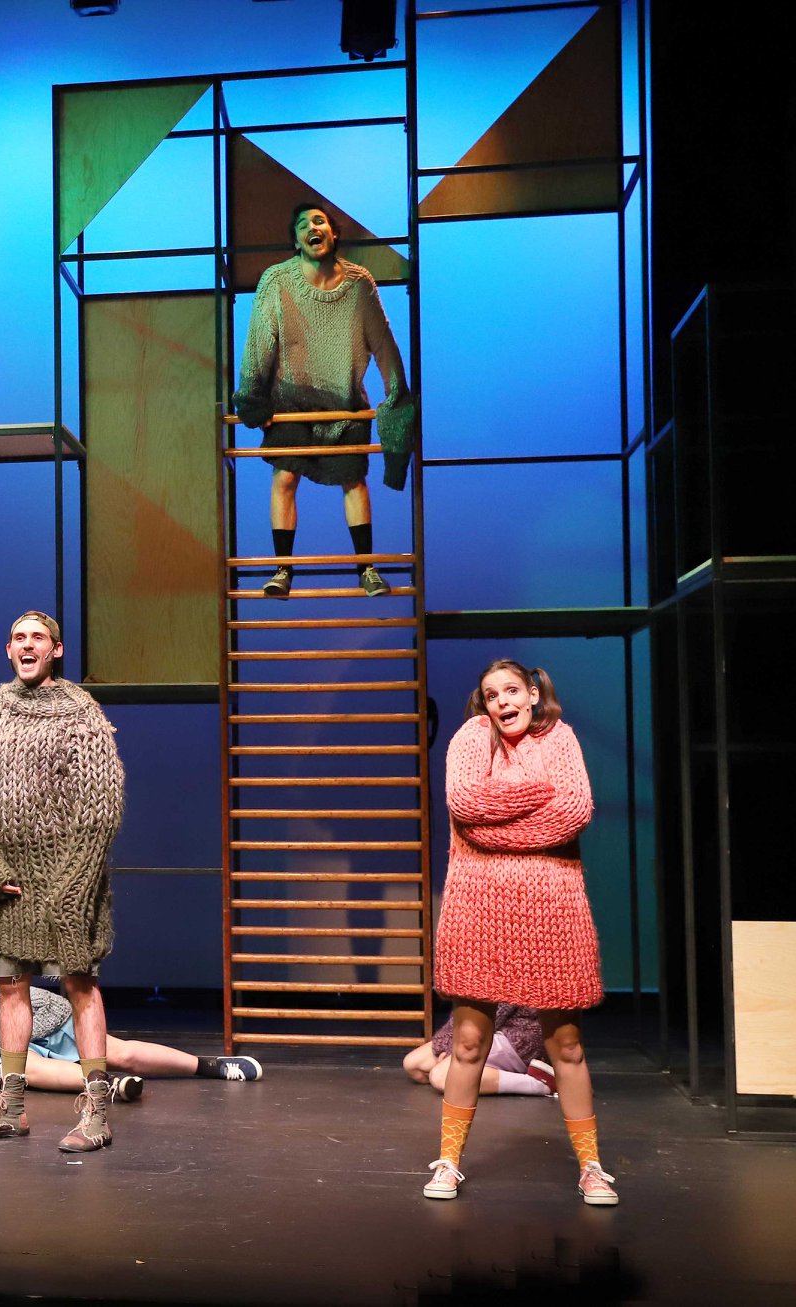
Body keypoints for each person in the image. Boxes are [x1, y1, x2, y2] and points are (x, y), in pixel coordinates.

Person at [427, 659, 615, 1205]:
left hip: (554, 910)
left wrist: (493, 828)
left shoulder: (561, 739)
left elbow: (573, 812)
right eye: (491, 695)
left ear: (533, 694)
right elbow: (464, 805)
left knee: (567, 1046)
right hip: (477, 908)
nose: (502, 702)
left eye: (512, 690)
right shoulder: (471, 739)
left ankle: (592, 1167)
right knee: (468, 1043)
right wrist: (536, 792)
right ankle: (448, 1162)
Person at [0, 611, 126, 1151]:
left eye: (38, 637)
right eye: (19, 637)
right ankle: (10, 1107)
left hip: (68, 881)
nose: (27, 645)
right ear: (8, 649)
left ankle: (96, 1111)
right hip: (8, 884)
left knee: (81, 986)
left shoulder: (81, 713)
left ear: (56, 650)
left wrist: (72, 886)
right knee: (10, 988)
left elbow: (100, 809)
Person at [232, 202, 415, 600]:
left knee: (354, 479)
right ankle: (283, 569)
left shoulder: (359, 282)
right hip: (291, 402)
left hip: (344, 403)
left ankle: (367, 569)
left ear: (333, 233)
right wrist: (252, 400)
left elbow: (383, 342)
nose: (312, 227)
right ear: (296, 241)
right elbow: (258, 343)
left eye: (319, 221)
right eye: (303, 224)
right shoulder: (276, 281)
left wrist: (397, 395)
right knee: (284, 476)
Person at [0, 928, 263, 1103]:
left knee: (119, 1052)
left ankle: (209, 1066)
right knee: (25, 1069)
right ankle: (109, 1086)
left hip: (36, 1020)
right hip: (7, 1051)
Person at [402, 1003, 557, 1097]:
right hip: (485, 1030)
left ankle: (539, 1083)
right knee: (413, 1064)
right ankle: (488, 1072)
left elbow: (492, 1014)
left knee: (441, 1077)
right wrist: (446, 1043)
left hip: (521, 1035)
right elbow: (464, 1012)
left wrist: (452, 1050)